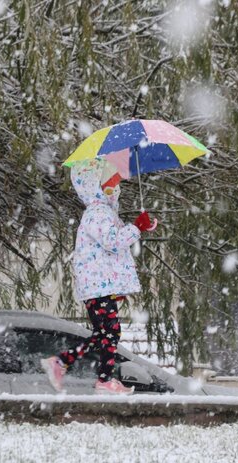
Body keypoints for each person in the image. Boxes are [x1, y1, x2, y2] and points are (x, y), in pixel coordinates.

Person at [40, 159, 156, 395]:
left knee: (106, 333)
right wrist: (136, 228)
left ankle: (84, 371)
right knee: (109, 332)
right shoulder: (97, 212)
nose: (117, 182)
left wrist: (138, 227)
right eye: (111, 179)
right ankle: (88, 373)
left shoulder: (104, 211)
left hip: (101, 285)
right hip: (97, 287)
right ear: (97, 183)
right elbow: (113, 242)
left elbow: (113, 245)